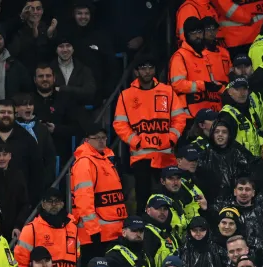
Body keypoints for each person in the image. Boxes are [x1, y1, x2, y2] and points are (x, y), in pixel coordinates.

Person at [112, 55, 187, 207]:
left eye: (150, 68)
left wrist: (172, 138)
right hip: (142, 156)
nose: (147, 71)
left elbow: (180, 118)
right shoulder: (126, 95)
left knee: (169, 198)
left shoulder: (167, 91)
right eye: (143, 68)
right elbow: (119, 123)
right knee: (143, 199)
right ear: (136, 72)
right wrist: (136, 141)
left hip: (165, 155)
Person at [70, 123, 127, 253]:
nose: (101, 141)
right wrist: (93, 230)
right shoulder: (85, 162)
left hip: (112, 230)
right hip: (96, 234)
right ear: (87, 140)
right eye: (97, 138)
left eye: (104, 138)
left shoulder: (106, 159)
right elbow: (84, 200)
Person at [14, 188, 79, 267]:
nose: (53, 204)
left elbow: (77, 257)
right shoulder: (31, 229)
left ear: (62, 204)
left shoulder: (73, 228)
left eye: (57, 201)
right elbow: (21, 264)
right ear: (43, 204)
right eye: (50, 201)